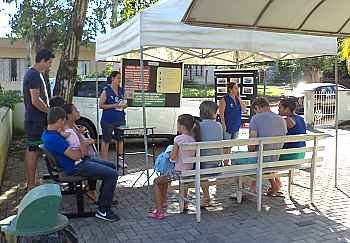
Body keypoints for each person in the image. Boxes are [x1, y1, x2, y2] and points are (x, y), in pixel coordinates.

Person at [42, 107, 119, 222]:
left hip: (78, 161)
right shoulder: (54, 139)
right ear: (59, 121)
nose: (64, 124)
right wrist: (83, 144)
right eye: (63, 121)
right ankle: (103, 210)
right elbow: (76, 156)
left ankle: (104, 199)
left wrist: (79, 143)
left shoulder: (49, 133)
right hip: (75, 166)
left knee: (112, 166)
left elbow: (73, 150)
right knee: (112, 174)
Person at [149, 114, 200, 220]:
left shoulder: (178, 139)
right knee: (163, 180)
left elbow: (172, 158)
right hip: (189, 171)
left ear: (181, 126)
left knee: (156, 181)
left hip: (178, 172)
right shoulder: (193, 139)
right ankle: (162, 205)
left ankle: (159, 211)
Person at [23, 48, 55, 190]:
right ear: (42, 60)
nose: (50, 65)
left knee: (35, 150)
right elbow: (35, 100)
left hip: (36, 120)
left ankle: (33, 181)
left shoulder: (36, 74)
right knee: (33, 150)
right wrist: (49, 112)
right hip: (35, 120)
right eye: (49, 62)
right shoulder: (34, 75)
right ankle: (31, 184)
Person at [248, 97, 287, 194]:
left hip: (262, 160)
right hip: (276, 159)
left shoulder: (255, 119)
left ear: (257, 107)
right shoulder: (281, 119)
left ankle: (243, 190)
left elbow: (252, 146)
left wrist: (249, 149)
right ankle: (253, 187)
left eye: (255, 111)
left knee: (242, 159)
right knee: (262, 158)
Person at [99, 71, 127, 168]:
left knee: (120, 139)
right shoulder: (106, 90)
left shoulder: (122, 90)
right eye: (118, 78)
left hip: (120, 118)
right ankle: (104, 161)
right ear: (112, 78)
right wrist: (114, 105)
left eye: (120, 78)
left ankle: (120, 160)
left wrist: (124, 105)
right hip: (108, 119)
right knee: (106, 140)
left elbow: (125, 103)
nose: (119, 80)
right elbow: (101, 105)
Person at [199, 100, 223, 207]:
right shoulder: (219, 126)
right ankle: (206, 196)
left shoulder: (198, 126)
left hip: (203, 165)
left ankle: (206, 196)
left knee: (197, 165)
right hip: (217, 163)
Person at [219, 82, 246, 165]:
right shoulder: (224, 99)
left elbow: (244, 109)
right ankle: (225, 161)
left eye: (237, 88)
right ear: (230, 89)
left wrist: (239, 97)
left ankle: (227, 160)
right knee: (226, 145)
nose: (237, 89)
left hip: (236, 125)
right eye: (235, 88)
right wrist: (223, 125)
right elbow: (221, 113)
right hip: (228, 125)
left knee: (232, 144)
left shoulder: (238, 99)